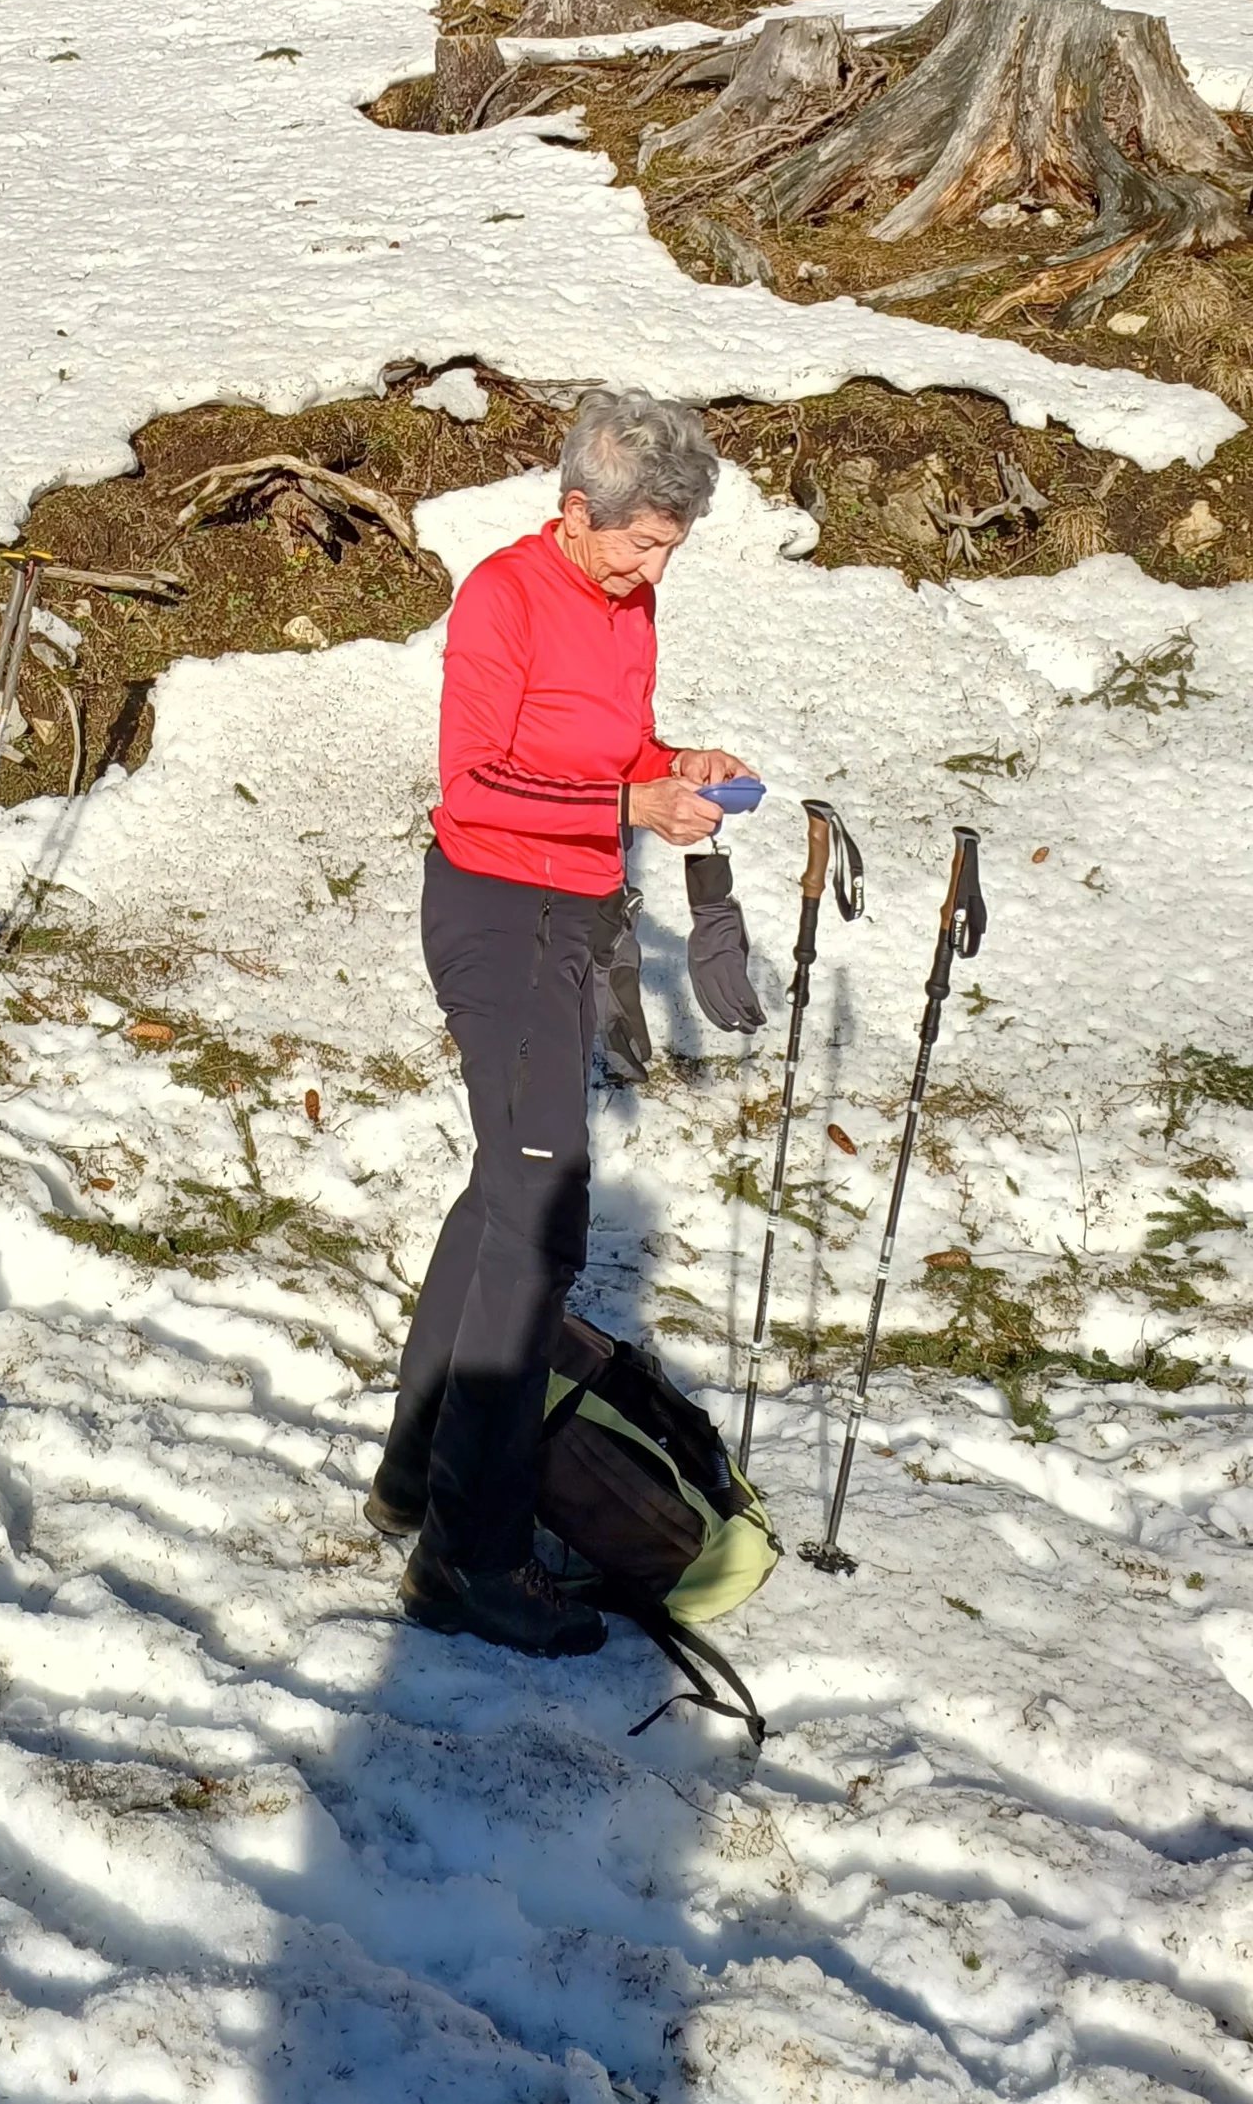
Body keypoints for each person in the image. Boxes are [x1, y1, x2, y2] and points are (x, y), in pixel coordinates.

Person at [368, 386, 755, 1658]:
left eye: (671, 550)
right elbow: (477, 779)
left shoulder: (626, 603)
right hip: (497, 912)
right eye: (641, 543)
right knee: (541, 1222)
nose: (654, 571)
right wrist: (630, 804)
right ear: (577, 510)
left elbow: (606, 749)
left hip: (571, 919)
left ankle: (417, 1476)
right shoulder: (504, 597)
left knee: (505, 1194)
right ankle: (465, 1562)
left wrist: (671, 764)